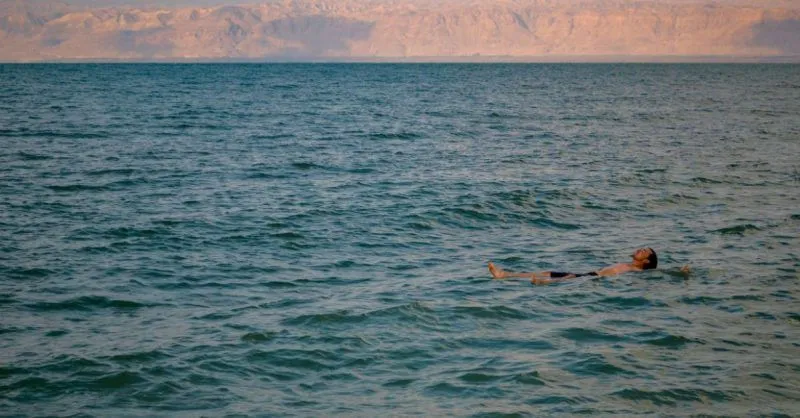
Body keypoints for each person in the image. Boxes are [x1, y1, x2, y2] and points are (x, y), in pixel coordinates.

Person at [488, 247, 661, 285]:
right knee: (548, 271)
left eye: (644, 251)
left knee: (567, 278)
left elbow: (662, 273)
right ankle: (505, 274)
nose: (640, 249)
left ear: (646, 261)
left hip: (595, 278)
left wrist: (681, 272)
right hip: (590, 273)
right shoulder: (628, 264)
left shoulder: (636, 270)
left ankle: (542, 283)